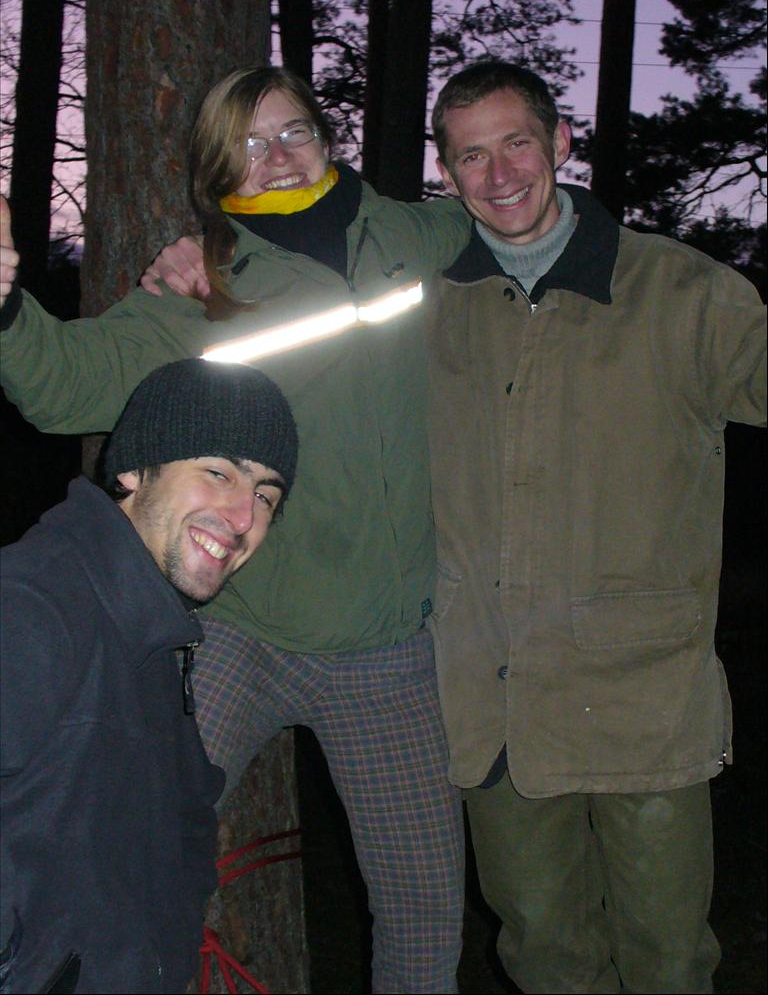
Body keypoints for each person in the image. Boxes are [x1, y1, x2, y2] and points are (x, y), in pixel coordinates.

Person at [0, 64, 471, 994]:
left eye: (294, 131)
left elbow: (497, 218)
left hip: (385, 649)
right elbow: (63, 386)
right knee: (118, 843)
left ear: (327, 140)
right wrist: (8, 306)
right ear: (218, 171)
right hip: (236, 638)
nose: (278, 156)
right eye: (249, 146)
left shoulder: (411, 234)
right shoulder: (207, 285)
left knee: (424, 923)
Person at [422, 60, 767, 993]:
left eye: (517, 144)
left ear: (561, 142)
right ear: (448, 174)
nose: (499, 175)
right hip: (493, 702)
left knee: (667, 959)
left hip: (642, 697)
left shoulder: (681, 291)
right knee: (544, 955)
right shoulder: (426, 302)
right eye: (472, 156)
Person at [0, 355, 299, 995]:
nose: (243, 518)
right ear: (135, 469)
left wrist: (171, 950)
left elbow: (185, 822)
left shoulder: (155, 632)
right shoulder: (33, 606)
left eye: (265, 496)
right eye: (218, 473)